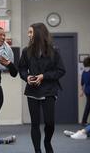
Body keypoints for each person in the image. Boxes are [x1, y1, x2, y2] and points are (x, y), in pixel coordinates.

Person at [18, 23, 65, 153]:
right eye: (28, 32)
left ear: (38, 33)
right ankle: (37, 150)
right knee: (35, 123)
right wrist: (27, 77)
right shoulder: (25, 51)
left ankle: (47, 142)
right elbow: (21, 68)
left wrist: (43, 76)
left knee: (50, 123)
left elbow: (61, 71)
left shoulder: (54, 51)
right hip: (32, 91)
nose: (28, 35)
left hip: (49, 90)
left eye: (30, 32)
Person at [80, 57, 90, 126]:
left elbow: (82, 83)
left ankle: (84, 121)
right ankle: (83, 121)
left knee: (88, 106)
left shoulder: (84, 72)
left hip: (87, 91)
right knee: (88, 106)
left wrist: (82, 91)